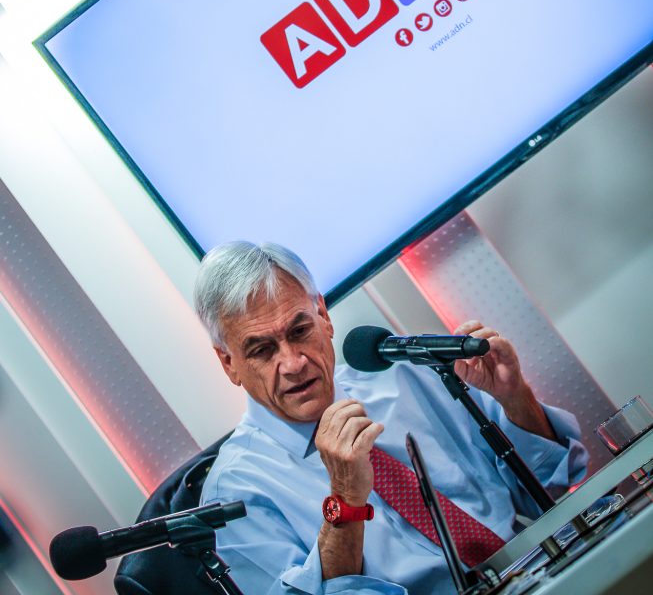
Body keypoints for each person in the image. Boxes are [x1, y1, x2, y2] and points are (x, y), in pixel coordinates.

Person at [194, 241, 587, 595]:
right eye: (262, 351)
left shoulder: (407, 373)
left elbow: (552, 484)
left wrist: (515, 397)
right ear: (229, 363)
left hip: (544, 570)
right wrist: (345, 499)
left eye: (299, 331)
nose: (293, 363)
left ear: (323, 316)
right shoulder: (234, 492)